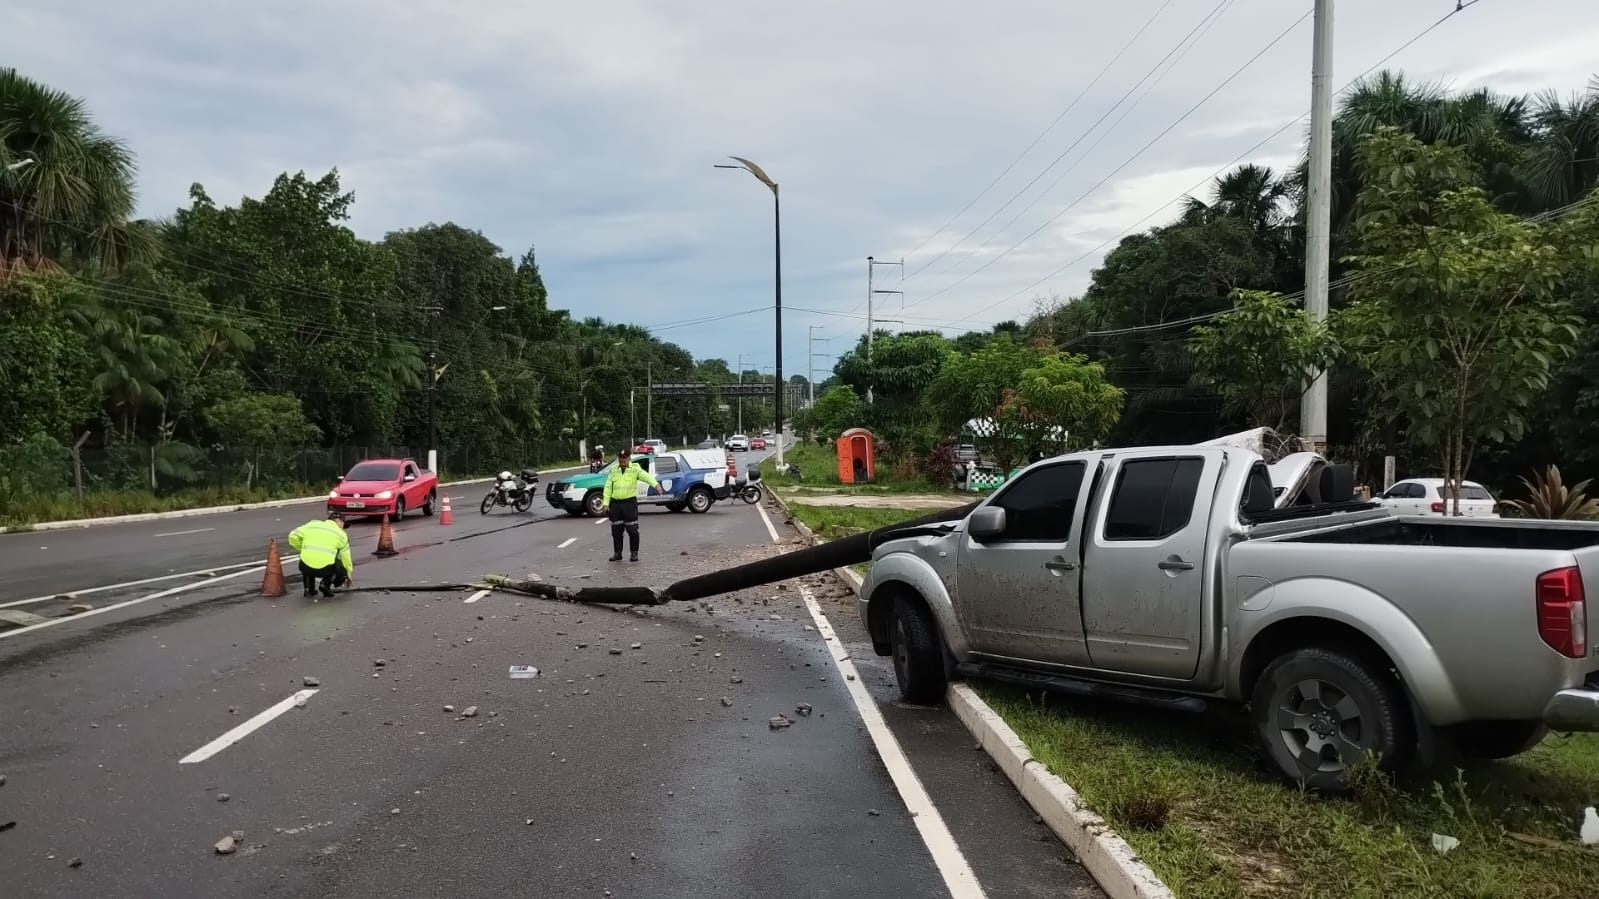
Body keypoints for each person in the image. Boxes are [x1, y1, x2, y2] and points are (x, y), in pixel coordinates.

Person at [601, 447, 659, 562]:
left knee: (632, 529)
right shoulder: (613, 470)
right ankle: (618, 553)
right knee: (616, 531)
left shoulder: (635, 468)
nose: (622, 461)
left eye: (625, 459)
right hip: (616, 504)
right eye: (621, 459)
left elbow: (646, 477)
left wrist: (656, 485)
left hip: (629, 503)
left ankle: (634, 553)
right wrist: (606, 504)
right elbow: (608, 487)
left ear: (629, 458)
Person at [288, 511, 354, 597]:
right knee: (339, 565)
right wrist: (348, 575)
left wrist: (302, 549)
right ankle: (325, 584)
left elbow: (292, 536)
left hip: (304, 566)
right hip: (325, 570)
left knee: (309, 558)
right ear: (340, 522)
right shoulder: (342, 535)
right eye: (343, 525)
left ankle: (308, 590)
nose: (343, 528)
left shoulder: (312, 525)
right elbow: (346, 559)